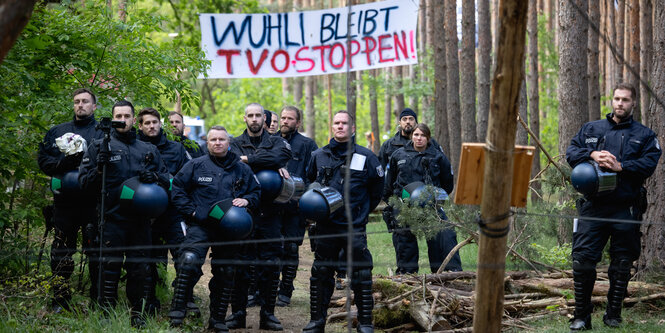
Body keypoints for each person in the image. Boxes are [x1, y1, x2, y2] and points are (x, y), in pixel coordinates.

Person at [566, 82, 661, 331]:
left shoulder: (645, 135)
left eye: (626, 100)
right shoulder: (591, 128)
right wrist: (592, 155)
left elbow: (649, 164)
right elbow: (571, 152)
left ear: (634, 103)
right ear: (612, 100)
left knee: (621, 263)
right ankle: (581, 317)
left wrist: (623, 167)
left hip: (626, 207)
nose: (620, 103)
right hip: (593, 208)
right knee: (582, 260)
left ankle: (613, 315)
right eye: (617, 99)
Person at [79, 100, 169, 327]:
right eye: (118, 116)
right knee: (109, 267)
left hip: (140, 221)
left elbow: (168, 182)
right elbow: (83, 184)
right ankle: (106, 314)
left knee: (140, 269)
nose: (122, 120)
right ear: (112, 118)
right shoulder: (99, 146)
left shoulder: (148, 149)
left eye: (127, 116)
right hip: (110, 219)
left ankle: (137, 314)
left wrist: (155, 179)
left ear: (133, 120)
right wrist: (99, 168)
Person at [168, 126, 260, 332]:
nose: (217, 143)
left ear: (228, 142)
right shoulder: (195, 165)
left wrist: (247, 200)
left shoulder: (242, 169)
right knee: (188, 260)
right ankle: (177, 310)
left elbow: (256, 192)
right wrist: (191, 212)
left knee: (227, 271)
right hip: (201, 225)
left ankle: (217, 319)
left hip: (229, 229)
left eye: (221, 139)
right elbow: (177, 189)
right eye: (213, 140)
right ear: (207, 143)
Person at [303, 110, 384, 333]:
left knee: (361, 274)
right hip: (326, 227)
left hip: (353, 227)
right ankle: (317, 322)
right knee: (321, 272)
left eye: (345, 123)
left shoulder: (366, 157)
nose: (340, 126)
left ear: (353, 128)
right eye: (336, 123)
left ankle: (365, 323)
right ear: (332, 127)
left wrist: (361, 212)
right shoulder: (318, 156)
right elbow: (310, 184)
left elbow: (377, 191)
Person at [227, 103, 292, 331]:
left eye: (258, 115)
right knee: (241, 265)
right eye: (250, 115)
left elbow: (280, 156)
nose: (255, 119)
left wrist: (248, 160)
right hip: (242, 211)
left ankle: (268, 315)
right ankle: (238, 313)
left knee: (271, 265)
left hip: (271, 213)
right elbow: (232, 161)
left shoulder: (277, 141)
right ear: (245, 118)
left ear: (265, 119)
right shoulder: (234, 142)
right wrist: (261, 159)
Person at [37, 88, 103, 312]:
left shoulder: (102, 133)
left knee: (96, 252)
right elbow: (43, 161)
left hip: (93, 203)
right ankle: (60, 299)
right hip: (64, 203)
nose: (80, 105)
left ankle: (98, 300)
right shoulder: (58, 132)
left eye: (85, 101)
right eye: (77, 101)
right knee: (61, 251)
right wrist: (64, 163)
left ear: (94, 106)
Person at [383, 123, 462, 274]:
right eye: (416, 135)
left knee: (445, 233)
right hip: (405, 206)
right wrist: (393, 204)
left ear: (428, 138)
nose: (419, 138)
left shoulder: (437, 156)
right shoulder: (398, 155)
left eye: (423, 136)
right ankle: (407, 274)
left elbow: (447, 183)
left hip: (430, 207)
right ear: (412, 136)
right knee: (404, 237)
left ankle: (448, 273)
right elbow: (389, 183)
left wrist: (434, 198)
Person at [377, 108, 445, 274]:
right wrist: (391, 201)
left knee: (439, 237)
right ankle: (407, 275)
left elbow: (444, 173)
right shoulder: (389, 146)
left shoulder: (432, 145)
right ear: (399, 123)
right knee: (404, 240)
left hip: (429, 202)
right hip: (402, 202)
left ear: (416, 123)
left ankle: (443, 273)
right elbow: (384, 175)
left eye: (411, 119)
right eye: (404, 119)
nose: (408, 121)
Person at [137, 107, 191, 312]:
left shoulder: (176, 149)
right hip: (144, 214)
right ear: (140, 126)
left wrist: (162, 179)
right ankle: (149, 302)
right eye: (147, 123)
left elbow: (185, 180)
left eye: (154, 122)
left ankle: (185, 300)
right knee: (146, 260)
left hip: (172, 212)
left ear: (160, 124)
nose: (151, 126)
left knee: (184, 257)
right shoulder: (134, 148)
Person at [274, 106, 318, 307]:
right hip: (273, 205)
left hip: (296, 207)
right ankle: (269, 288)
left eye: (290, 119)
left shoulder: (308, 145)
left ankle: (286, 289)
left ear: (298, 123)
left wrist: (307, 200)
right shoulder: (270, 141)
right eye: (283, 117)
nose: (285, 121)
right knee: (273, 248)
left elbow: (314, 175)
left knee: (291, 248)